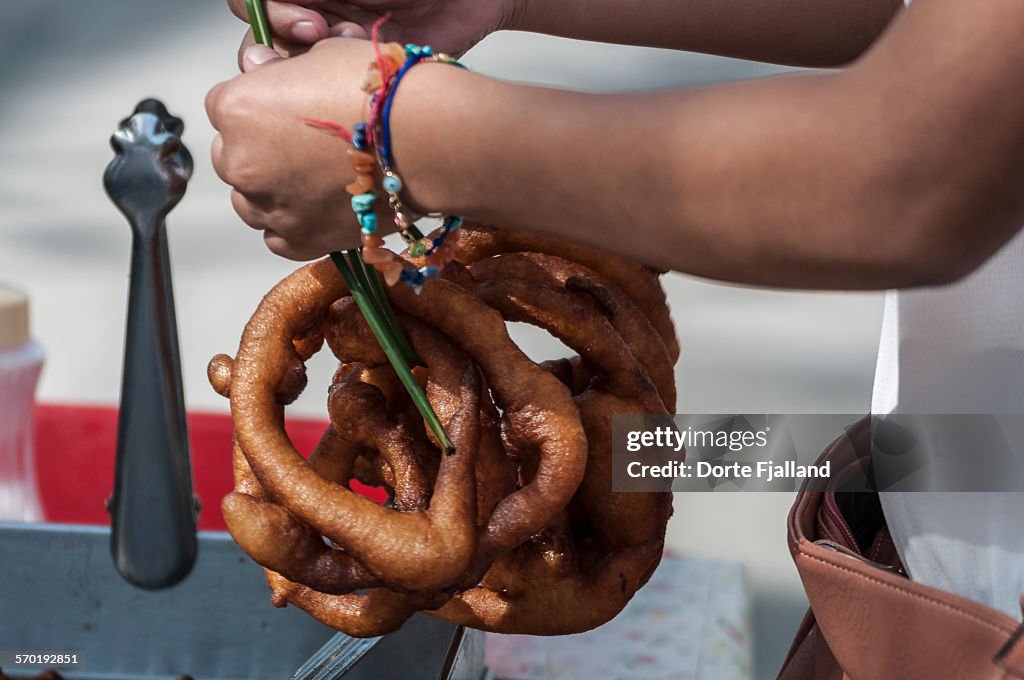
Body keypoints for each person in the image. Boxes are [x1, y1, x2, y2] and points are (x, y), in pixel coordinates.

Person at [206, 0, 1024, 623]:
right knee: (666, 450)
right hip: (951, 480)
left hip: (987, 603)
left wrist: (391, 135)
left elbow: (915, 179)